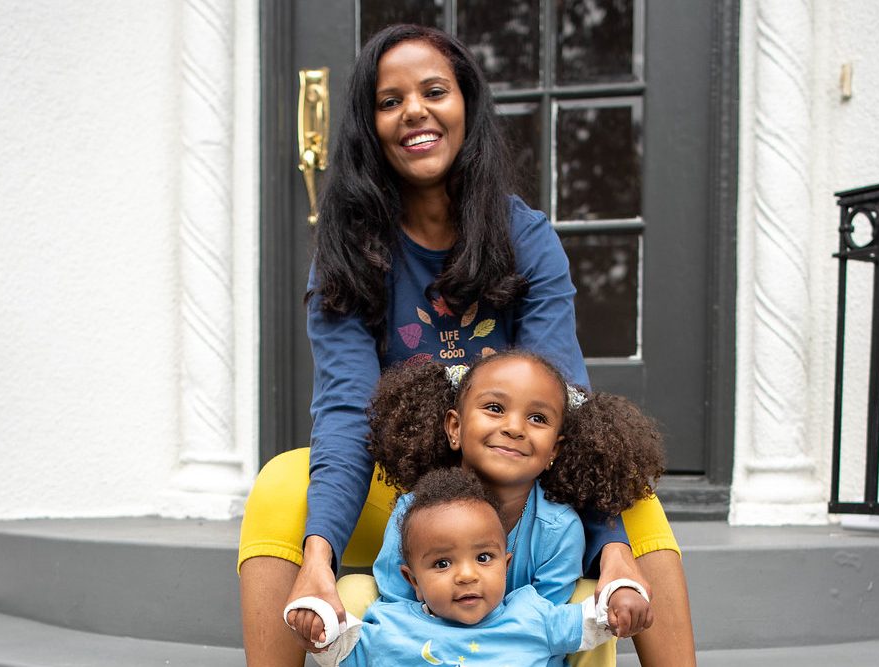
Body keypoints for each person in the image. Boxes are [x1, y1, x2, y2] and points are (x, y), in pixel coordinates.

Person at [238, 23, 695, 667]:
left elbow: (565, 402)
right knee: (281, 484)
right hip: (405, 489)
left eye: (434, 91)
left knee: (632, 498)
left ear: (467, 106)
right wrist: (318, 559)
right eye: (389, 101)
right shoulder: (349, 252)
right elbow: (345, 414)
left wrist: (612, 548)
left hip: (515, 490)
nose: (415, 112)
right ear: (369, 126)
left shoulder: (525, 238)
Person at [362, 350, 664, 665]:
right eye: (495, 408)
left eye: (538, 418)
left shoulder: (559, 529)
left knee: (588, 598)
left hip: (517, 656)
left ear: (554, 450)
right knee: (356, 590)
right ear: (455, 427)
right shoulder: (416, 510)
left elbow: (544, 631)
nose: (515, 428)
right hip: (426, 651)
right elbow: (397, 611)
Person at [290, 468, 639, 667]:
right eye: (442, 563)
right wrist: (315, 618)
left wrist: (622, 597)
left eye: (484, 558)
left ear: (506, 566)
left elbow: (597, 620)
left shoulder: (532, 615)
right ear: (413, 580)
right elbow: (334, 645)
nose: (467, 575)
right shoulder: (391, 625)